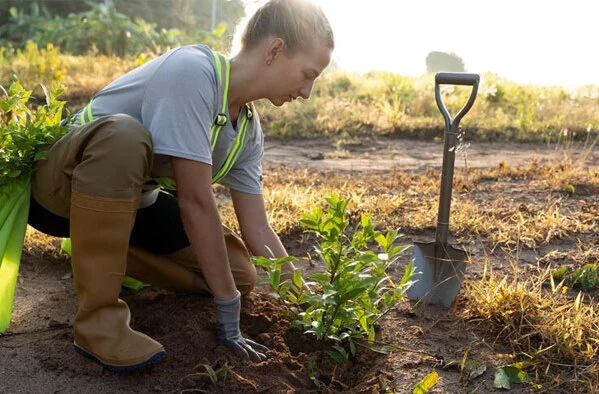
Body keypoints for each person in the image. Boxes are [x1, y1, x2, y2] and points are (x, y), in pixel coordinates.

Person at [26, 0, 334, 371]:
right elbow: (195, 201)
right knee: (126, 135)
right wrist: (228, 313)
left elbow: (257, 228)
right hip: (58, 188)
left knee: (239, 274)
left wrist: (313, 302)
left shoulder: (248, 133)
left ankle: (97, 261)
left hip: (129, 205)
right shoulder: (193, 71)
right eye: (307, 74)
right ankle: (98, 324)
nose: (306, 92)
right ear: (275, 50)